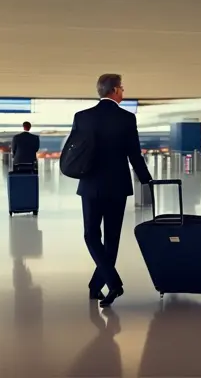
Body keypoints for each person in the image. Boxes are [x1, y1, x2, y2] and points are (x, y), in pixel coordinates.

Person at [72, 73, 152, 307]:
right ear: (115, 90)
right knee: (112, 239)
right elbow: (134, 155)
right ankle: (109, 283)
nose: (123, 93)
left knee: (90, 235)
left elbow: (76, 151)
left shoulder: (82, 117)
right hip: (117, 186)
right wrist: (147, 180)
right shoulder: (127, 118)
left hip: (90, 185)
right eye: (122, 89)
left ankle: (100, 285)